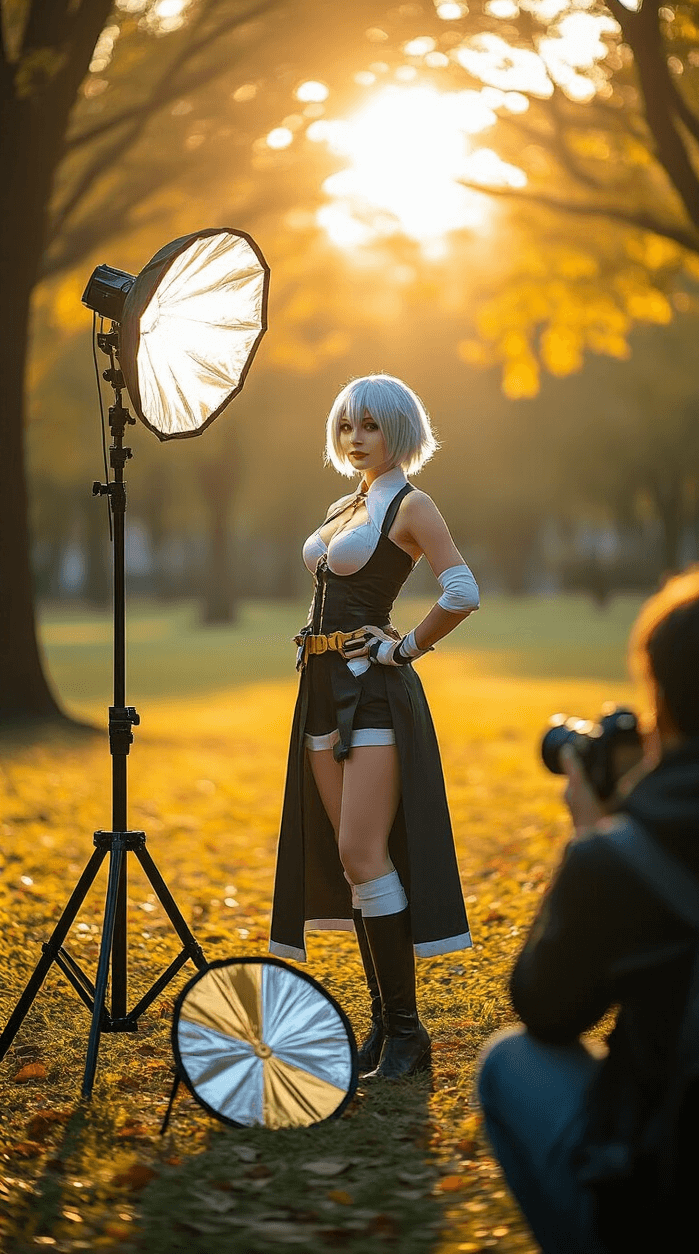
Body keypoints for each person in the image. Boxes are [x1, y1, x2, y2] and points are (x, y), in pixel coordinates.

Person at [476, 565, 699, 1253]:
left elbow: (546, 1008)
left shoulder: (623, 858)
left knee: (510, 1063)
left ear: (663, 701)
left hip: (686, 1197)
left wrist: (593, 841)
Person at [269, 374, 479, 1080]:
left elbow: (462, 589)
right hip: (322, 691)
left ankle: (407, 1033)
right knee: (355, 862)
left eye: (370, 427)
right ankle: (387, 1029)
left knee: (364, 850)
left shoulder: (413, 505)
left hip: (375, 695)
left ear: (399, 431)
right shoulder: (344, 504)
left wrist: (403, 646)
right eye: (346, 427)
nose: (356, 440)